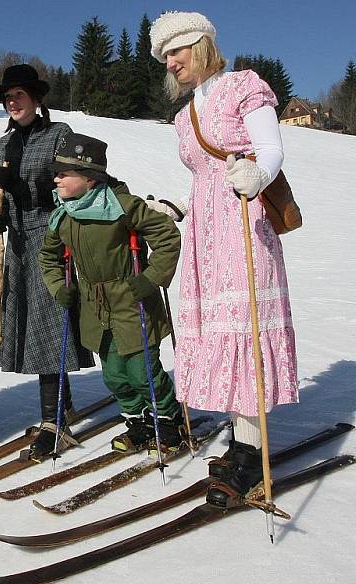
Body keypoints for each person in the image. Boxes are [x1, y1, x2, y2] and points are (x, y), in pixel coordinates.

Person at [150, 11, 299, 505]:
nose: (172, 62)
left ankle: (250, 454)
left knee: (244, 328)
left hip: (243, 221)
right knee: (219, 331)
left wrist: (257, 176)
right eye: (165, 56)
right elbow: (206, 175)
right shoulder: (185, 113)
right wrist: (180, 206)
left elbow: (270, 147)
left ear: (203, 46)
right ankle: (240, 442)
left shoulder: (242, 86)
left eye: (179, 50)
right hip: (206, 233)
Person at [39, 134, 185, 455]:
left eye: (65, 173)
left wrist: (152, 278)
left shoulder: (122, 206)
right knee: (115, 376)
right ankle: (138, 423)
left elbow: (166, 235)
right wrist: (59, 288)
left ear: (90, 178)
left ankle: (169, 421)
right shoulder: (63, 214)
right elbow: (49, 257)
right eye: (56, 172)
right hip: (94, 307)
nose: (56, 178)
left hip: (133, 301)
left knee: (143, 371)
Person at [0, 64, 94, 462]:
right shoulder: (3, 145)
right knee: (29, 321)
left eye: (19, 95)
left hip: (51, 236)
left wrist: (29, 190)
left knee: (48, 325)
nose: (12, 102)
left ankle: (54, 422)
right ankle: (62, 400)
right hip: (17, 242)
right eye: (7, 97)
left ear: (36, 98)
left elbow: (72, 184)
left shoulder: (58, 135)